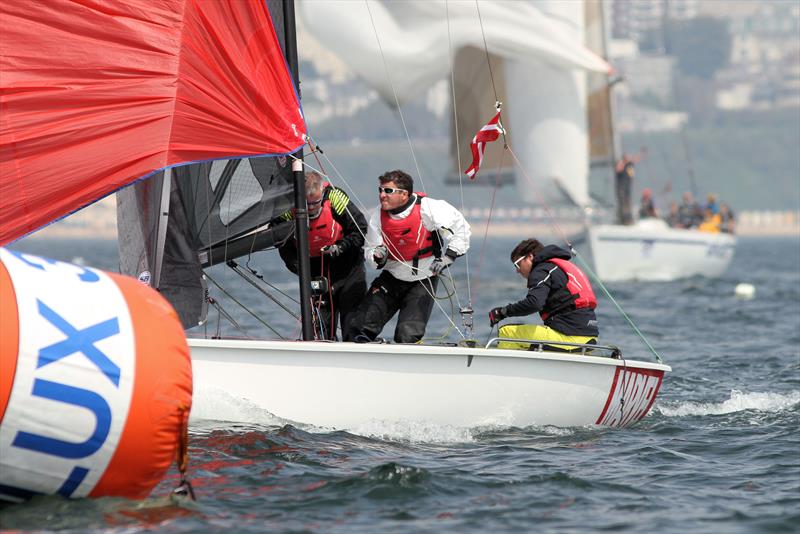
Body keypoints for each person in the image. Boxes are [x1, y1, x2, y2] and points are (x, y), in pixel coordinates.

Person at [349, 169, 471, 344]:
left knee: (407, 335)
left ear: (404, 194)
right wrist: (377, 257)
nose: (382, 195)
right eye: (380, 190)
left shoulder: (430, 208)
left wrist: (448, 257)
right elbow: (370, 248)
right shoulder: (377, 216)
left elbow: (461, 229)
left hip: (423, 278)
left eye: (388, 191)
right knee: (359, 328)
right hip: (392, 277)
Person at [275, 171, 368, 340]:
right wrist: (299, 268)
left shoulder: (335, 198)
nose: (311, 208)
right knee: (321, 332)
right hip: (315, 270)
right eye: (307, 204)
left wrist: (340, 248)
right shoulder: (289, 207)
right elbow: (280, 241)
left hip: (347, 266)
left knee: (352, 327)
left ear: (321, 193)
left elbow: (360, 229)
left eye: (315, 203)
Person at [488, 239, 598, 352]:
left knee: (507, 332)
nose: (517, 270)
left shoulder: (541, 269)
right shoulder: (558, 267)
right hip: (590, 338)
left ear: (530, 256)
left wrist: (503, 312)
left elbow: (534, 303)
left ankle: (505, 369)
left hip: (570, 337)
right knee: (530, 339)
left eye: (517, 264)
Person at [615, 154, 637, 225]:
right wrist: (623, 163)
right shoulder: (621, 164)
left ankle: (628, 219)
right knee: (622, 203)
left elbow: (634, 161)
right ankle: (623, 219)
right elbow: (618, 169)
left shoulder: (629, 166)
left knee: (627, 202)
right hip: (621, 188)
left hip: (627, 189)